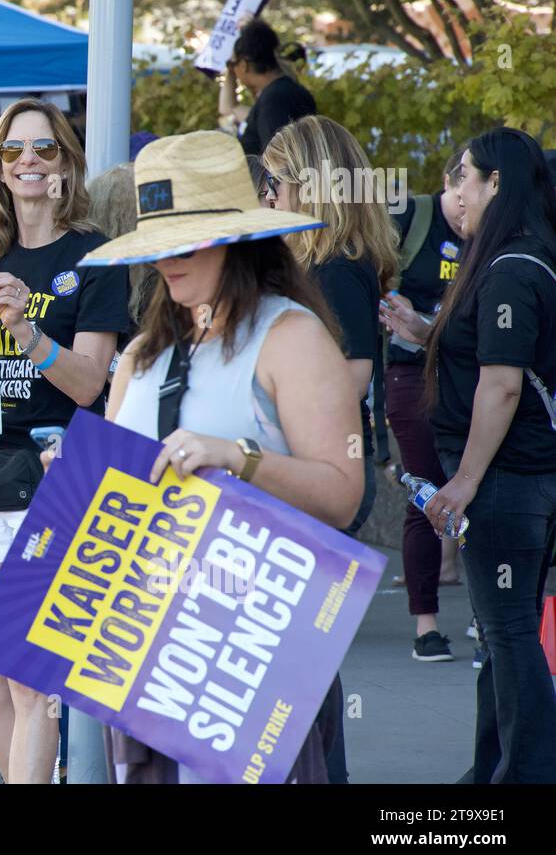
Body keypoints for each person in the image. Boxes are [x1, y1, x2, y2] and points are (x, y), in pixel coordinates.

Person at [70, 129, 364, 783]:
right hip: (146, 647)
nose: (167, 261)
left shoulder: (292, 337)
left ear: (236, 239)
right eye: (158, 246)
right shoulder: (144, 353)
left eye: (185, 242)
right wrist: (74, 481)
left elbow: (344, 492)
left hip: (254, 652)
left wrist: (238, 457)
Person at [0, 98, 130, 784]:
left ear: (67, 165)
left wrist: (27, 331)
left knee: (31, 679)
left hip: (54, 477)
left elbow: (89, 385)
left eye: (45, 150)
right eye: (14, 150)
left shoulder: (94, 257)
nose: (29, 162)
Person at [385, 127, 556, 783]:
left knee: (509, 634)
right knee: (499, 632)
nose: (456, 191)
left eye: (465, 177)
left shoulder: (513, 266)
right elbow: (493, 357)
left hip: (509, 481)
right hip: (518, 478)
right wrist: (426, 333)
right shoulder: (515, 257)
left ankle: (527, 774)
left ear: (497, 185)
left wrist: (464, 480)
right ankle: (494, 769)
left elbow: (504, 381)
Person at [262, 115, 399, 538]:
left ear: (310, 187)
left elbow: (356, 376)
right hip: (314, 458)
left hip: (323, 464)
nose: (267, 197)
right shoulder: (318, 263)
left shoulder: (337, 268)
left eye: (275, 183)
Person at [378, 148, 471, 664]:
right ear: (447, 183)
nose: (464, 210)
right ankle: (426, 624)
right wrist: (400, 316)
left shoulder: (489, 232)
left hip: (471, 372)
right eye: (459, 197)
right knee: (424, 488)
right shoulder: (411, 218)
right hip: (412, 373)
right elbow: (368, 282)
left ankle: (487, 617)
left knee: (478, 489)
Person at [219, 19, 316, 157]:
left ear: (244, 65)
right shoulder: (284, 92)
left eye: (234, 65)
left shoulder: (274, 100)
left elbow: (277, 160)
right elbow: (228, 108)